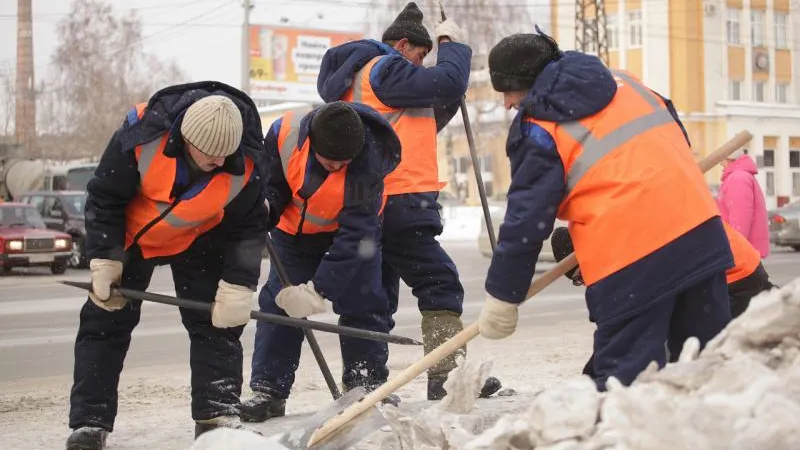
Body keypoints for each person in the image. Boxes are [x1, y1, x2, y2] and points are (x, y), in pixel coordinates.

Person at [475, 29, 735, 391]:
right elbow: (673, 138)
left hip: (632, 258)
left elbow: (526, 220)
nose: (506, 103)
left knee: (622, 384)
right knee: (706, 371)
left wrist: (503, 295)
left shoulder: (540, 126)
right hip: (699, 235)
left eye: (507, 90)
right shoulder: (628, 83)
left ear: (529, 83)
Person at [66, 82, 269, 450]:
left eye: (226, 155)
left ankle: (217, 416)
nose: (220, 163)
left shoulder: (247, 161)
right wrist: (105, 258)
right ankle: (89, 422)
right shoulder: (141, 136)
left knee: (217, 324)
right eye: (209, 154)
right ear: (185, 139)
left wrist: (239, 284)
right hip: (131, 238)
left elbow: (249, 226)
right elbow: (105, 197)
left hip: (200, 238)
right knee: (104, 323)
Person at [316, 1, 501, 400]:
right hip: (399, 200)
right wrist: (451, 44)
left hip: (374, 200)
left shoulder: (365, 79)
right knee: (439, 283)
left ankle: (365, 382)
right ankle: (447, 376)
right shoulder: (385, 69)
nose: (420, 66)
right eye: (420, 56)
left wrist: (453, 86)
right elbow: (445, 82)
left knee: (373, 295)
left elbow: (428, 115)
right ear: (402, 45)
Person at [239, 101, 402, 423]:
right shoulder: (285, 134)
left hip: (349, 237)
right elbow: (272, 184)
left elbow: (357, 232)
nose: (339, 168)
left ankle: (365, 384)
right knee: (278, 310)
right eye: (331, 163)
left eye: (345, 163)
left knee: (365, 308)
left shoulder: (370, 158)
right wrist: (266, 211)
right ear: (313, 144)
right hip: (291, 233)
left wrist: (320, 290)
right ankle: (269, 390)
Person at [718, 149, 770, 258]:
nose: (720, 164)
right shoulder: (739, 177)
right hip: (744, 252)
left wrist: (734, 253)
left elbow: (740, 219)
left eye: (722, 160)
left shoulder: (738, 178)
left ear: (730, 159)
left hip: (742, 255)